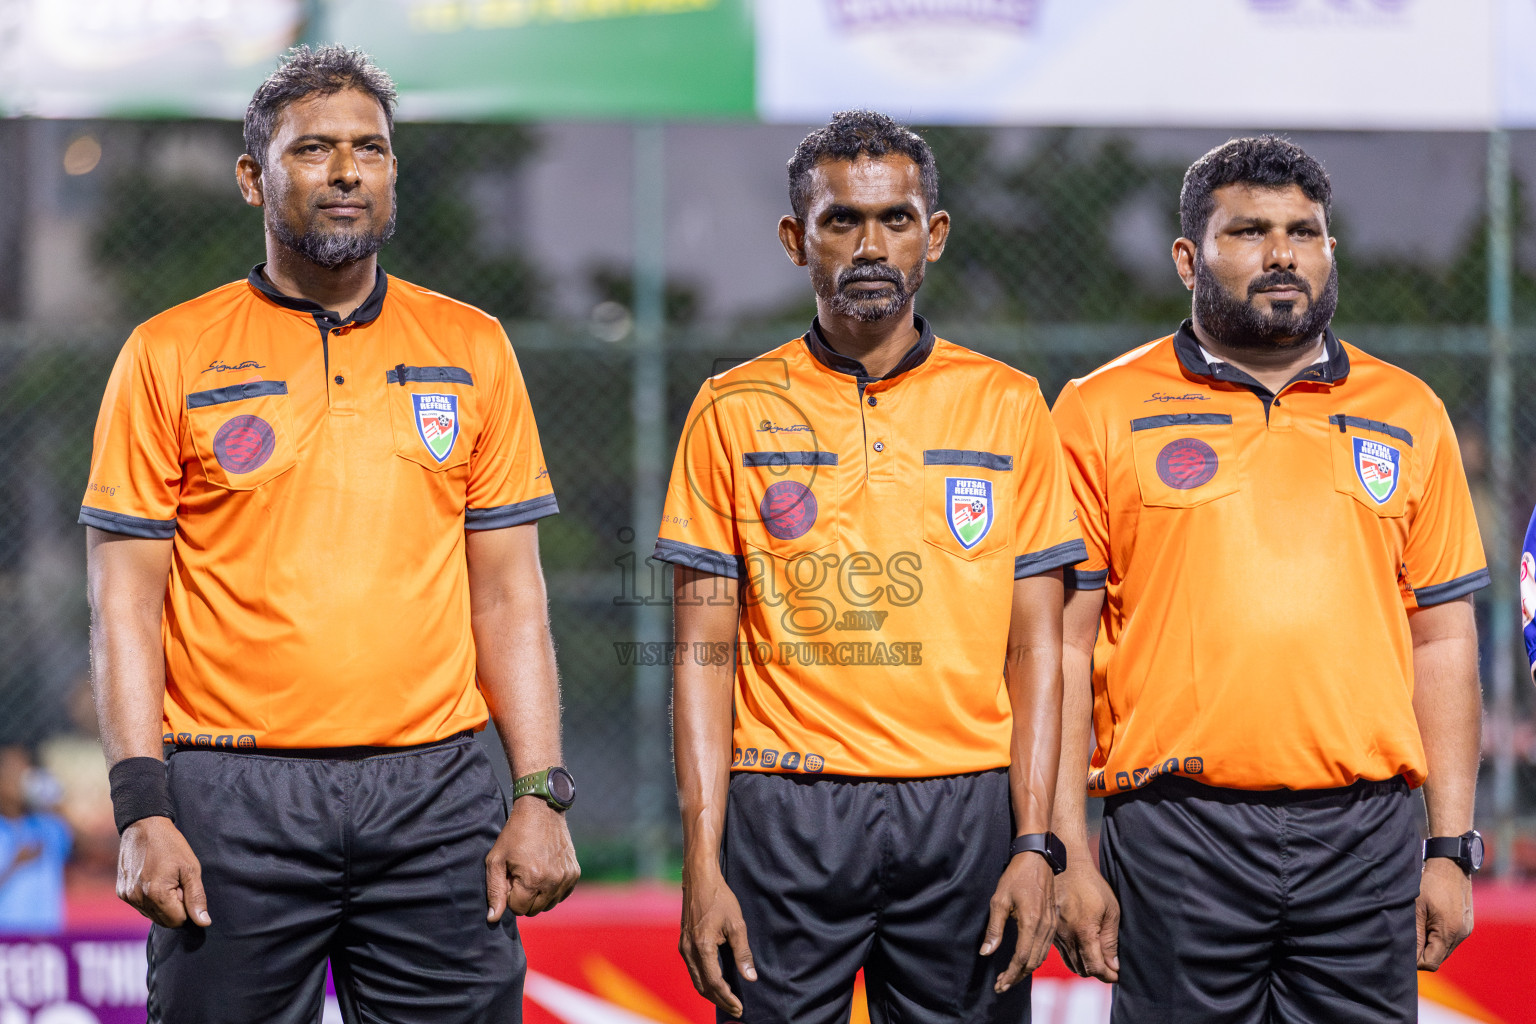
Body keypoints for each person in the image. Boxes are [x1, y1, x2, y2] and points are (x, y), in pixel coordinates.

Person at [79, 45, 578, 1023]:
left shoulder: (472, 346)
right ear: (253, 177)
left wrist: (539, 794)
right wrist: (142, 806)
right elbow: (124, 600)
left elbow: (510, 593)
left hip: (435, 794)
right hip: (233, 793)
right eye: (313, 149)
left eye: (370, 149)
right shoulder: (168, 352)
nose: (347, 170)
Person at [653, 110, 1085, 1023]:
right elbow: (702, 654)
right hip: (786, 810)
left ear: (933, 235)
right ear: (794, 239)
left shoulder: (1008, 405)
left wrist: (1035, 843)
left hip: (967, 813)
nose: (870, 244)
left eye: (895, 219)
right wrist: (702, 856)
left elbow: (1040, 653)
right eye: (841, 220)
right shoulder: (730, 408)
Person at [1049, 136, 1487, 1024]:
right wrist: (1065, 849)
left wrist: (1449, 844)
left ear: (1330, 250)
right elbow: (1061, 646)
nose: (1283, 252)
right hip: (1178, 832)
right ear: (1188, 259)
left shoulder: (1409, 412)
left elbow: (1443, 639)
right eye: (1248, 231)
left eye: (1305, 231)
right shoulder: (1098, 409)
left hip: (1367, 838)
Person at [0, 746, 72, 934]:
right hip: (6, 939)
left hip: (48, 936)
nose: (21, 781)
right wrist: (15, 863)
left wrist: (54, 800)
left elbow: (84, 845)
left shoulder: (46, 825)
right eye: (13, 773)